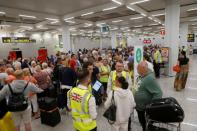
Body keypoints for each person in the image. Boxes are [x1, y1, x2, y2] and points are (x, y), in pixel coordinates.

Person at [134, 61, 163, 131]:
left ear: (143, 69)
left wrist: (151, 106)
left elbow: (158, 93)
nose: (137, 70)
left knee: (145, 123)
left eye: (138, 69)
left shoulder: (150, 78)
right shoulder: (141, 76)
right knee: (142, 122)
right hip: (139, 106)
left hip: (145, 108)